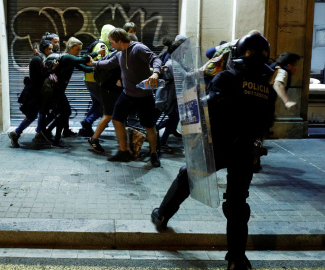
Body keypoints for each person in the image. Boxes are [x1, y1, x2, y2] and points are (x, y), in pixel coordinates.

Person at [151, 34, 277, 269]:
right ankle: (237, 259)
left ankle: (163, 215)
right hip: (246, 151)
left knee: (188, 175)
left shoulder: (226, 78)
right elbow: (267, 125)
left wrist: (204, 79)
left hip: (218, 146)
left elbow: (204, 108)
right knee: (238, 204)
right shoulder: (268, 90)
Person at [92, 28, 162, 168]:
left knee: (149, 126)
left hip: (144, 96)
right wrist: (93, 63)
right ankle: (123, 151)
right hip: (127, 94)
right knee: (116, 119)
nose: (111, 46)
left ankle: (154, 154)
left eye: (112, 43)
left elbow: (155, 59)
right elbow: (109, 63)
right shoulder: (120, 53)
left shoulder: (138, 49)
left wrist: (155, 73)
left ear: (119, 41)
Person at [45, 37, 95, 148]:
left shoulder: (72, 59)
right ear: (71, 48)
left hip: (59, 91)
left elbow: (85, 68)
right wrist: (98, 53)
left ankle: (49, 131)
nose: (79, 52)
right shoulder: (67, 57)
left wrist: (97, 67)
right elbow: (82, 60)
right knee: (64, 112)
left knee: (64, 113)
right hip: (56, 91)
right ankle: (55, 139)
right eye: (77, 49)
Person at [8, 40, 55, 147]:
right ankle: (15, 133)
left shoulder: (41, 59)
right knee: (32, 116)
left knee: (42, 113)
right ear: (43, 49)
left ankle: (39, 132)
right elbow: (38, 78)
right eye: (49, 49)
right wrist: (52, 70)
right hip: (33, 94)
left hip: (38, 93)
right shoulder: (36, 60)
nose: (51, 51)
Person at [79, 24, 115, 137]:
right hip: (95, 80)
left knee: (97, 103)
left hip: (91, 79)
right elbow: (101, 63)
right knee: (104, 105)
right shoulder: (101, 46)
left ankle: (86, 126)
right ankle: (87, 122)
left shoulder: (99, 44)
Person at [155, 37, 188, 152]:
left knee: (173, 118)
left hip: (170, 97)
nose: (185, 53)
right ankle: (159, 138)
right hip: (166, 98)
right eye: (183, 50)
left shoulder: (176, 62)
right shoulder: (172, 63)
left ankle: (160, 139)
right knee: (173, 119)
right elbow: (186, 76)